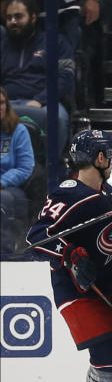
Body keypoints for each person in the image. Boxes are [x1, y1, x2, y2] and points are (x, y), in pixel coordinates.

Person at [26, 129, 112, 382]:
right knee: (109, 352)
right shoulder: (67, 194)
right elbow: (36, 238)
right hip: (76, 288)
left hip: (111, 287)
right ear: (100, 158)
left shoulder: (111, 195)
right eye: (110, 156)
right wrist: (71, 256)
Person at [1, 0, 74, 154]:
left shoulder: (55, 42)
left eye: (18, 16)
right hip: (6, 102)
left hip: (43, 103)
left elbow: (65, 78)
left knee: (58, 119)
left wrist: (39, 100)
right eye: (9, 17)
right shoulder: (3, 45)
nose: (13, 21)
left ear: (33, 17)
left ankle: (49, 171)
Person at [0, 86, 34, 256]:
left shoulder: (18, 130)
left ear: (7, 105)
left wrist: (2, 182)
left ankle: (5, 255)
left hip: (9, 186)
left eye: (1, 103)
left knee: (2, 200)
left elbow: (25, 167)